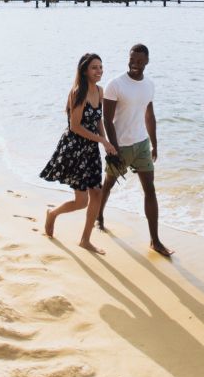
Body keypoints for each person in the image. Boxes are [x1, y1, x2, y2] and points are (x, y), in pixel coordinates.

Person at [97, 44, 173, 257]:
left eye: (139, 61)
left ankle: (155, 240)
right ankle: (99, 216)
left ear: (147, 61)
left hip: (141, 145)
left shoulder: (149, 85)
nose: (135, 65)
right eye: (132, 60)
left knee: (150, 189)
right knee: (109, 184)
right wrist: (114, 148)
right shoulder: (115, 84)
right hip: (120, 145)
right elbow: (107, 120)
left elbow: (149, 115)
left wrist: (154, 143)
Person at [40, 52, 118, 254]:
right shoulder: (78, 93)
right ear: (84, 71)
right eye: (94, 67)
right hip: (74, 149)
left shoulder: (100, 91)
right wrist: (101, 139)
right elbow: (75, 126)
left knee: (97, 194)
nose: (99, 71)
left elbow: (98, 120)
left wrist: (105, 142)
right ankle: (53, 213)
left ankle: (85, 240)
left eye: (101, 67)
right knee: (81, 201)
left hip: (91, 150)